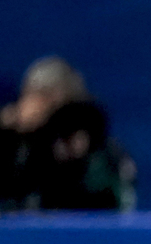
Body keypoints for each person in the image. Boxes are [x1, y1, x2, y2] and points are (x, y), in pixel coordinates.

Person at [1, 56, 135, 211]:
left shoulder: (94, 147)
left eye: (43, 96)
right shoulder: (19, 143)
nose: (31, 106)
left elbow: (91, 196)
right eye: (29, 95)